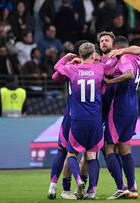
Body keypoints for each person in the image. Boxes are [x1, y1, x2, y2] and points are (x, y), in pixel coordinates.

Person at [53, 43, 114, 200]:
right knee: (92, 156)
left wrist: (66, 58)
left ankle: (78, 180)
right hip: (95, 119)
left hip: (78, 119)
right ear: (93, 53)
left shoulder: (72, 69)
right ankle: (92, 191)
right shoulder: (99, 68)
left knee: (71, 153)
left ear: (80, 54)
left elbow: (57, 67)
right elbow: (113, 69)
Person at [47, 40, 89, 200]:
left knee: (63, 150)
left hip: (69, 115)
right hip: (87, 117)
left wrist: (65, 59)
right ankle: (84, 188)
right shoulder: (93, 67)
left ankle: (53, 187)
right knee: (87, 154)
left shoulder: (70, 67)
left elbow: (54, 75)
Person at [103, 36, 140, 200]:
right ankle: (132, 185)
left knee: (108, 147)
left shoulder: (125, 58)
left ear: (117, 49)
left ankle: (121, 187)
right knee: (125, 149)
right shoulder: (138, 59)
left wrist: (110, 82)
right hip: (133, 106)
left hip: (119, 107)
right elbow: (139, 50)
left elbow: (128, 74)